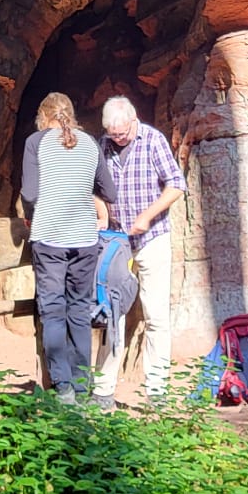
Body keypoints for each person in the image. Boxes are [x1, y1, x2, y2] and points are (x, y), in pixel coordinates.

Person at [92, 96, 186, 404]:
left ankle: (157, 391)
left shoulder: (153, 140)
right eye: (112, 134)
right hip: (117, 241)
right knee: (111, 312)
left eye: (121, 133)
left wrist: (147, 216)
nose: (117, 138)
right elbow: (93, 187)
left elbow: (175, 185)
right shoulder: (103, 144)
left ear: (134, 121)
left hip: (152, 237)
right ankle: (102, 390)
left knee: (155, 314)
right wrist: (103, 216)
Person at [21, 93, 111, 403]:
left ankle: (63, 388)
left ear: (42, 117)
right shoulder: (90, 143)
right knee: (79, 310)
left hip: (49, 238)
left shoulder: (36, 142)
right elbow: (108, 190)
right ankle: (83, 386)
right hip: (85, 240)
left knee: (53, 311)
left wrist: (31, 218)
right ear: (71, 116)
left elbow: (30, 193)